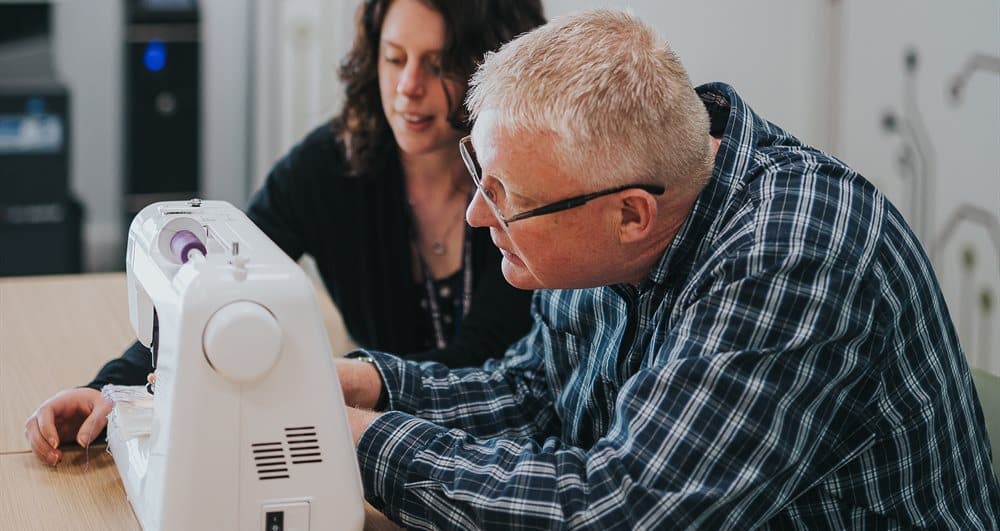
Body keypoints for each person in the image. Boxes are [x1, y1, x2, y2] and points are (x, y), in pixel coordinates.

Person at [332, 9, 1000, 529]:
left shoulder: (798, 257)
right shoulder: (608, 202)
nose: (478, 214)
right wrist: (374, 389)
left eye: (508, 197)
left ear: (630, 216)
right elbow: (538, 390)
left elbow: (623, 509)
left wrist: (370, 444)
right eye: (480, 172)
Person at [24, 0, 545, 467]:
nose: (408, 86)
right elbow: (214, 286)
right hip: (374, 448)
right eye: (393, 58)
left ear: (490, 64)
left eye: (437, 64)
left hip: (505, 457)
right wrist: (108, 388)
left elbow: (491, 363)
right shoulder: (328, 168)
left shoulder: (531, 183)